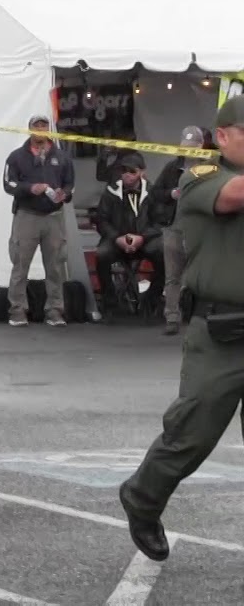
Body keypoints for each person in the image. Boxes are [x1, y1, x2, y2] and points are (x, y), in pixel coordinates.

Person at [119, 96, 244, 563]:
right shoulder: (201, 177)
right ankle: (143, 497)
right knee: (192, 432)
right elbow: (235, 197)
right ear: (224, 135)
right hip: (219, 331)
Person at [1, 115, 75, 327]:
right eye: (37, 126)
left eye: (44, 126)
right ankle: (17, 310)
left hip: (54, 218)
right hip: (27, 216)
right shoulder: (16, 157)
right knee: (20, 264)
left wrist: (65, 194)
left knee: (55, 266)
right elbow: (8, 184)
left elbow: (71, 184)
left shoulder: (62, 157)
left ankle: (54, 310)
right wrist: (29, 188)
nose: (40, 129)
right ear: (30, 129)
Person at [149, 126, 213, 335]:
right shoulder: (172, 168)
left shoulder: (211, 167)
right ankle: (172, 317)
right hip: (173, 227)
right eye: (186, 147)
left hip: (200, 228)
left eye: (193, 146)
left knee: (201, 275)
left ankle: (202, 315)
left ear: (201, 145)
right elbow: (155, 192)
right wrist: (171, 193)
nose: (189, 151)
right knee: (172, 275)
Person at [93, 151, 165, 314]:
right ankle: (110, 300)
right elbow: (101, 220)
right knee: (101, 255)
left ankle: (152, 298)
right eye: (123, 170)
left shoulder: (153, 192)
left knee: (163, 254)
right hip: (117, 239)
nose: (127, 175)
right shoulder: (111, 192)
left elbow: (160, 222)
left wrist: (142, 237)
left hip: (146, 240)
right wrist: (117, 238)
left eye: (132, 171)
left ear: (142, 172)